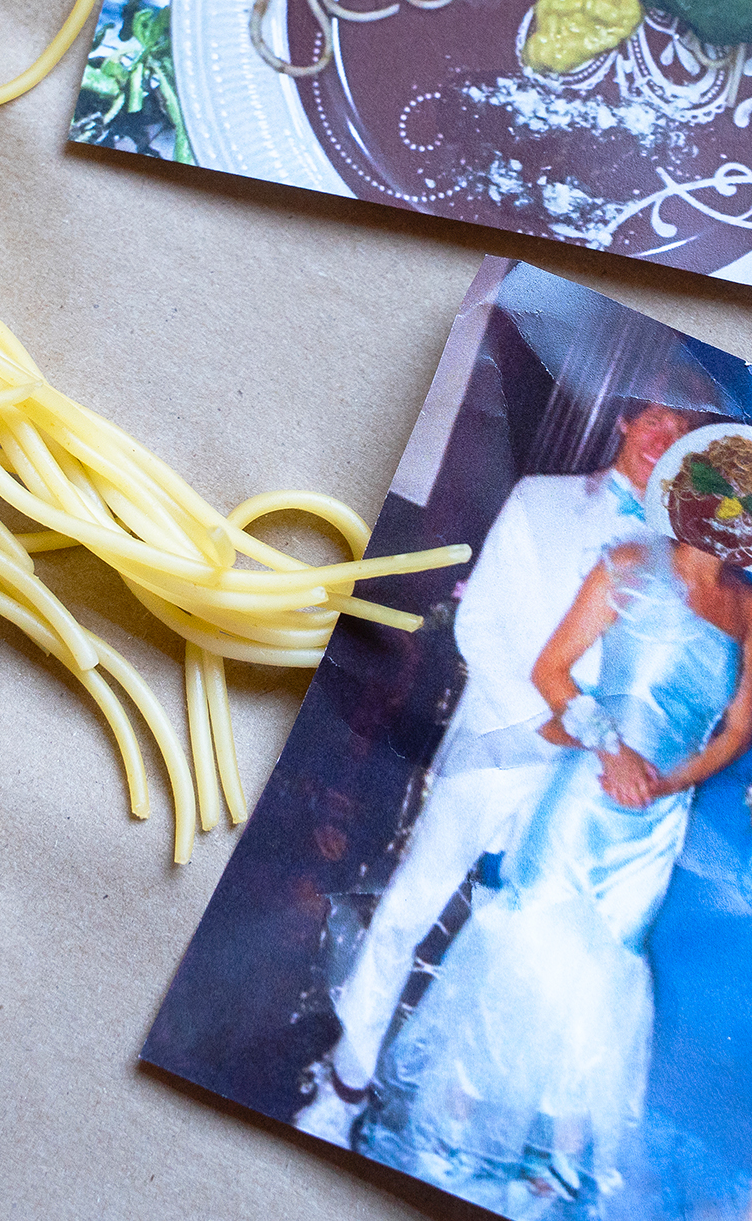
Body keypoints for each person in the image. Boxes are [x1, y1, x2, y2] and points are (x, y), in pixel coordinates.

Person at [352, 446, 752, 1219]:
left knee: (601, 976)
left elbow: (739, 729)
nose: (730, 513)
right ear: (690, 488)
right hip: (586, 790)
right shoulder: (627, 562)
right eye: (721, 492)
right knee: (529, 951)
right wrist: (613, 753)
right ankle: (454, 1135)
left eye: (751, 505)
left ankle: (552, 1164)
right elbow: (554, 670)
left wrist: (668, 783)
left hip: (656, 820)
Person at [294, 401, 705, 1142]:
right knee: (406, 916)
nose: (664, 440)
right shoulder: (539, 498)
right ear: (625, 424)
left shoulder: (674, 558)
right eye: (656, 421)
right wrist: (548, 725)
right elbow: (481, 623)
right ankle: (344, 1090)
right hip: (496, 750)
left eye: (681, 436)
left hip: (580, 794)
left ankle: (449, 1121)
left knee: (512, 958)